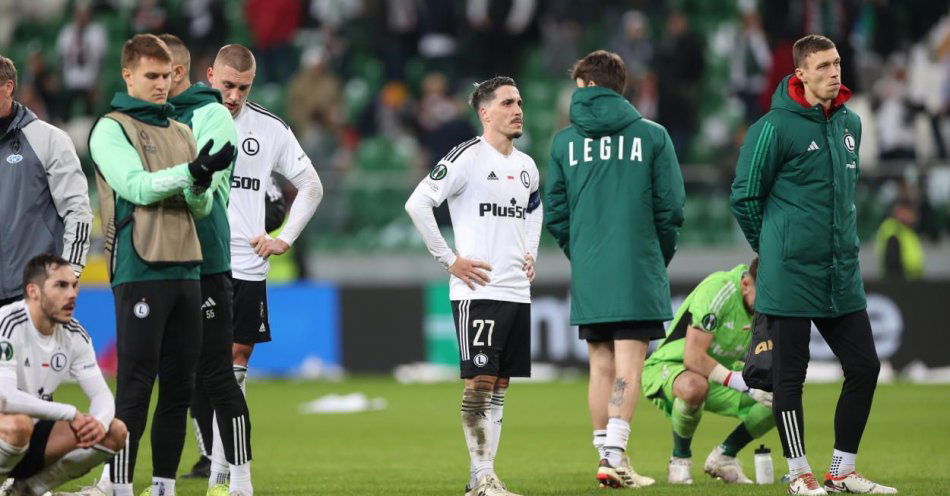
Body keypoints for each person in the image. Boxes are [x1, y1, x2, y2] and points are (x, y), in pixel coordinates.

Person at [730, 34, 896, 495]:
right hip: (789, 275)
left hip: (840, 273)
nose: (834, 72)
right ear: (800, 73)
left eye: (837, 62)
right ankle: (799, 473)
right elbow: (744, 196)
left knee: (865, 366)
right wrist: (773, 248)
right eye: (822, 66)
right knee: (789, 377)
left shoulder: (852, 124)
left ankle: (841, 470)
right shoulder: (773, 127)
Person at [87, 34, 234, 496]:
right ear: (128, 75)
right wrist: (191, 173)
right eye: (151, 75)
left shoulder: (182, 131)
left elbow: (201, 208)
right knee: (135, 384)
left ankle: (164, 486)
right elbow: (136, 187)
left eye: (167, 75)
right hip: (139, 269)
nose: (161, 83)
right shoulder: (110, 128)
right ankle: (119, 486)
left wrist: (202, 180)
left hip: (187, 268)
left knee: (178, 388)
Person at [543, 50, 684, 489]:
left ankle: (606, 455)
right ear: (620, 86)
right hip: (636, 266)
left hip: (591, 270)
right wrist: (653, 255)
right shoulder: (653, 135)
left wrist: (582, 253)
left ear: (584, 85)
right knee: (629, 369)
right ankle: (615, 456)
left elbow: (555, 212)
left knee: (600, 368)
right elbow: (672, 208)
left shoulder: (563, 142)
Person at [190, 43, 322, 492]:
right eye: (227, 85)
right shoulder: (185, 119)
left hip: (245, 264)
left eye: (243, 87)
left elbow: (311, 185)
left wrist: (283, 236)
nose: (234, 95)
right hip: (194, 259)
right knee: (194, 366)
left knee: (235, 363)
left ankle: (225, 472)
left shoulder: (270, 129)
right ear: (210, 75)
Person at [405, 76, 542, 496]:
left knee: (500, 386)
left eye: (519, 101)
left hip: (516, 289)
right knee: (479, 383)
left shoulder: (526, 166)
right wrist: (450, 260)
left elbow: (535, 209)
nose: (517, 109)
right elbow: (418, 203)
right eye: (507, 103)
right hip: (478, 290)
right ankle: (482, 476)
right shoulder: (466, 156)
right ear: (485, 113)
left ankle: (481, 478)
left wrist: (530, 251)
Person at [0, 254, 127, 496]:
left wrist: (98, 423)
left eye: (74, 285)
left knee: (115, 431)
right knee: (18, 424)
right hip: (9, 427)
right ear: (33, 291)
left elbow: (102, 394)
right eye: (60, 285)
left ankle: (27, 490)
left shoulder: (75, 334)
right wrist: (69, 413)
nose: (72, 294)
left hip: (32, 434)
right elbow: (5, 397)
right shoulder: (8, 322)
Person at [642, 258, 775, 485]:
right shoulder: (719, 290)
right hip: (672, 367)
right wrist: (746, 387)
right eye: (764, 295)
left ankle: (725, 456)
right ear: (745, 284)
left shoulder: (768, 306)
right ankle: (679, 460)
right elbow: (693, 357)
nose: (769, 304)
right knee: (695, 387)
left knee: (782, 397)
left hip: (722, 373)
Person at [0, 55, 92, 308]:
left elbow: (78, 210)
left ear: (8, 87)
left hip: (36, 292)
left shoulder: (48, 139)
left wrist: (69, 274)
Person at [875, 198, 924, 281]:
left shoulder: (908, 230)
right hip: (900, 281)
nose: (912, 215)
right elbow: (892, 260)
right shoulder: (893, 229)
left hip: (913, 280)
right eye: (909, 211)